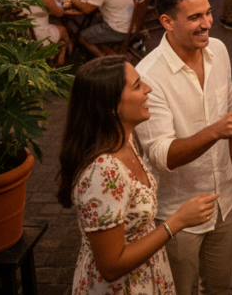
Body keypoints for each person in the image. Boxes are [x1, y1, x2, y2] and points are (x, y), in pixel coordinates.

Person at [134, 0, 232, 295]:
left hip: (224, 202)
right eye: (195, 17)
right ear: (167, 22)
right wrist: (216, 130)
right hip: (177, 213)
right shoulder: (148, 75)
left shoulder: (219, 50)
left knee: (219, 287)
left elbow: (228, 116)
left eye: (208, 13)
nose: (207, 24)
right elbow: (162, 156)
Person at [57, 55, 218, 295]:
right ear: (113, 106)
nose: (148, 89)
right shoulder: (102, 172)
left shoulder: (126, 139)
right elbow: (111, 267)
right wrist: (178, 221)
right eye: (137, 85)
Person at [25, 0, 72, 65]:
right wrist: (57, 2)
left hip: (27, 34)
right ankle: (69, 59)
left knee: (58, 28)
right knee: (63, 30)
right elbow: (59, 13)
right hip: (40, 37)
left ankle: (60, 55)